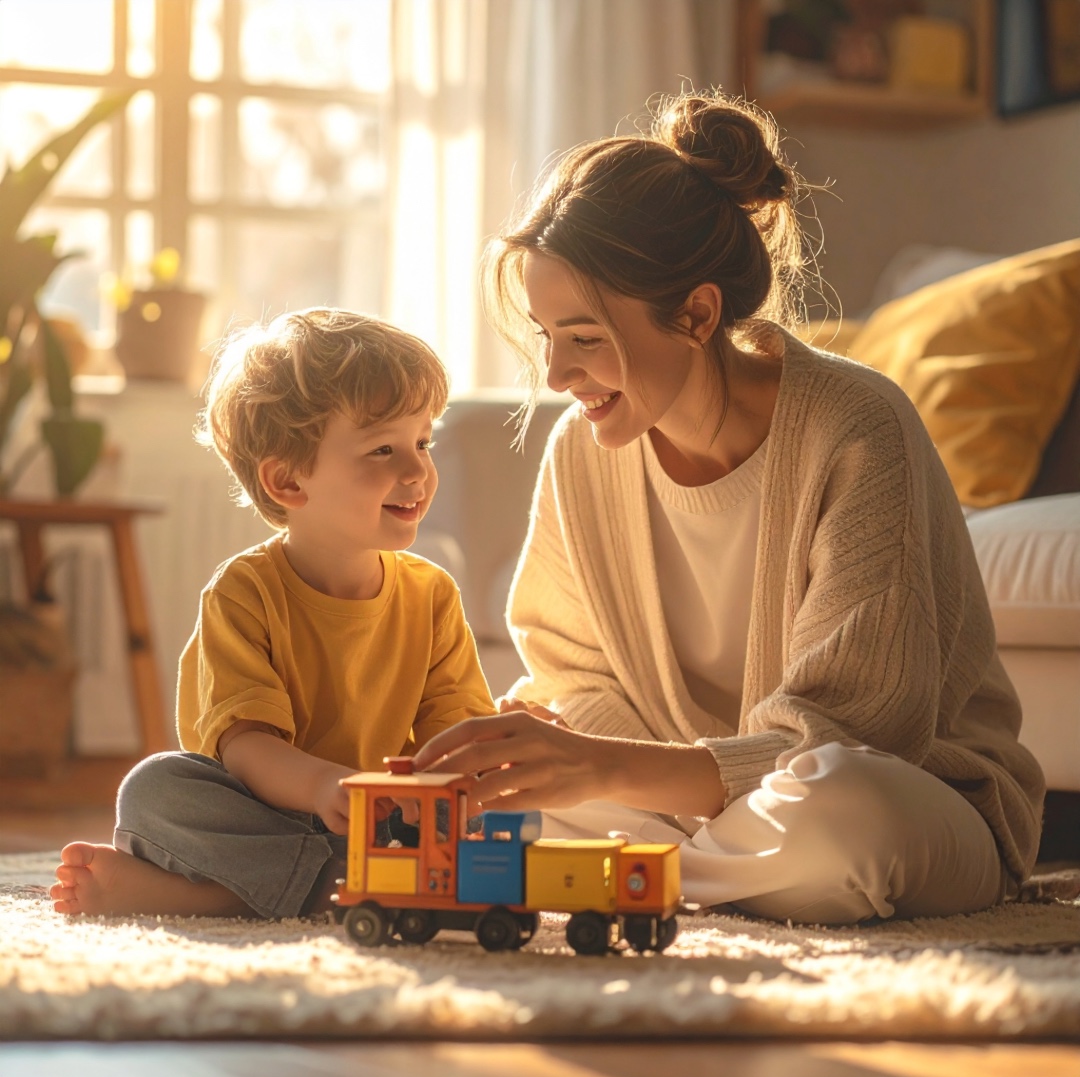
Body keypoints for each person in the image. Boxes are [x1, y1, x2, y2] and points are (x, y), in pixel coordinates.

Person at [411, 90, 1046, 925]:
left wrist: (603, 772)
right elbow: (575, 674)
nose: (559, 375)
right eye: (546, 336)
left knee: (844, 810)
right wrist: (564, 755)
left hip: (903, 795)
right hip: (690, 806)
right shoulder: (582, 451)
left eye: (587, 338)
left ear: (697, 313)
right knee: (490, 802)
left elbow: (861, 733)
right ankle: (684, 879)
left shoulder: (857, 427)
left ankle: (625, 880)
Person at [51, 308, 494, 919]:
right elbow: (246, 747)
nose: (417, 469)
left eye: (423, 441)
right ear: (288, 482)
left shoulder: (433, 594)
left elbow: (451, 732)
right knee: (155, 787)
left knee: (498, 806)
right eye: (382, 449)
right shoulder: (242, 592)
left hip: (380, 826)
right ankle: (323, 887)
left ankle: (220, 897)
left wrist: (461, 773)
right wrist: (323, 787)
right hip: (264, 814)